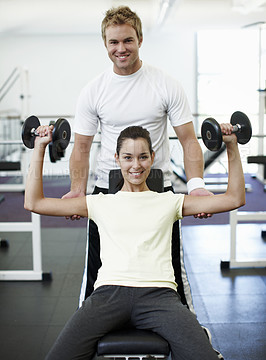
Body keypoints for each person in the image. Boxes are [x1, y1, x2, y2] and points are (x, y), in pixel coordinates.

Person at [25, 123, 245, 360]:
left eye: (142, 157)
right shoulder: (99, 202)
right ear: (117, 158)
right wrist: (39, 147)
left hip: (159, 297)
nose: (136, 165)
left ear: (152, 158)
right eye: (128, 157)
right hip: (107, 296)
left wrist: (232, 145)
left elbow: (234, 198)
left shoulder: (169, 201)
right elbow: (34, 203)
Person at [63, 5, 212, 312]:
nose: (121, 49)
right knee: (98, 266)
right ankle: (86, 329)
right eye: (113, 42)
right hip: (108, 190)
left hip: (156, 188)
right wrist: (78, 190)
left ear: (140, 39)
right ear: (105, 44)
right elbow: (81, 147)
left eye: (127, 40)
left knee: (170, 267)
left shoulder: (165, 83)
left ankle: (193, 331)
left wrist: (196, 185)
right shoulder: (94, 91)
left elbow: (188, 139)